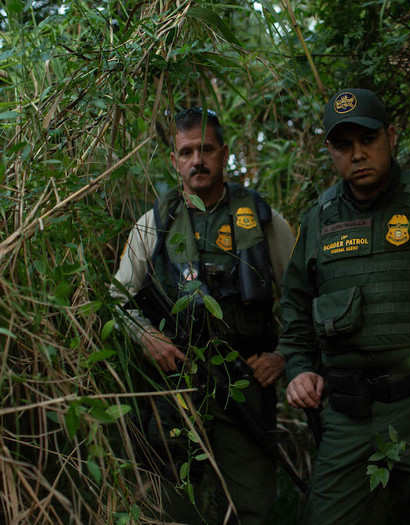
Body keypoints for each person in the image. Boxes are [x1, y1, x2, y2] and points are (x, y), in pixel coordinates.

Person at [278, 89, 410, 524]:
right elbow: (295, 304)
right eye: (343, 145)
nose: (358, 155)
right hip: (346, 416)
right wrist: (299, 369)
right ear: (330, 151)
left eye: (367, 140)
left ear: (391, 136)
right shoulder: (320, 217)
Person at [111, 107, 295, 524]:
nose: (198, 160)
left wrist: (282, 355)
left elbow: (305, 295)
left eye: (207, 149)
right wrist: (146, 337)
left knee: (253, 506)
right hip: (179, 389)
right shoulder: (153, 224)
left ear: (224, 154)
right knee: (175, 506)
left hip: (246, 383)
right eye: (187, 151)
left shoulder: (263, 220)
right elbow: (116, 296)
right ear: (174, 160)